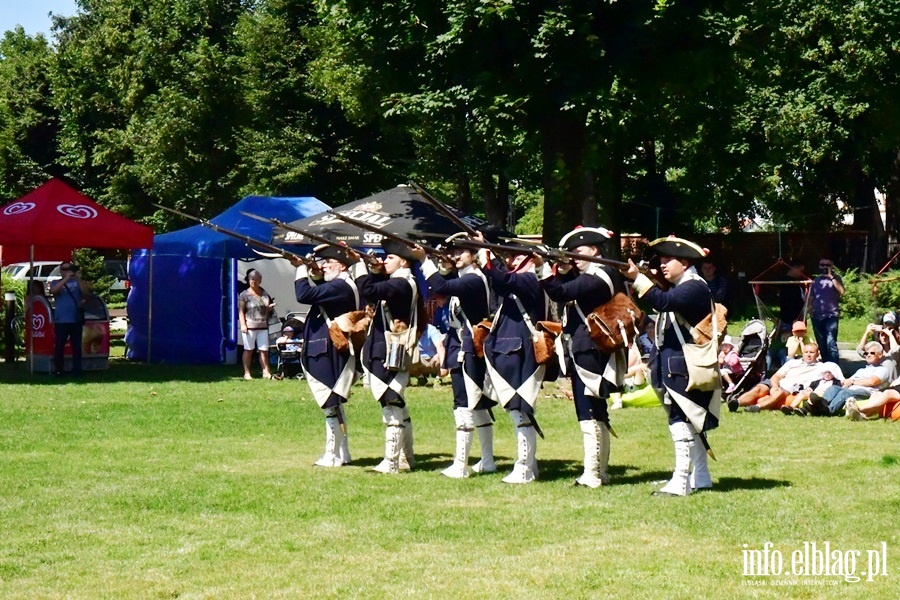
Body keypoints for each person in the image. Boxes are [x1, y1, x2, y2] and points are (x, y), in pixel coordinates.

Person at [622, 236, 719, 497]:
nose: (662, 265)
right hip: (676, 363)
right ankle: (701, 475)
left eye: (668, 260)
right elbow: (656, 301)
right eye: (661, 261)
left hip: (684, 365)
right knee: (690, 420)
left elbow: (664, 302)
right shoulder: (681, 285)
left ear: (685, 262)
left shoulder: (694, 287)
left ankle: (680, 480)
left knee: (682, 420)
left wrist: (638, 277)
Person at [538, 226, 625, 488]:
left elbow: (561, 293)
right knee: (595, 411)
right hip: (587, 347)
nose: (574, 257)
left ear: (594, 250)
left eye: (578, 252)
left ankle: (593, 473)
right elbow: (570, 289)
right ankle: (600, 470)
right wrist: (563, 271)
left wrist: (543, 266)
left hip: (590, 349)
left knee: (589, 411)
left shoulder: (598, 275)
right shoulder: (591, 273)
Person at [415, 235, 495, 478]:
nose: (456, 255)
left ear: (474, 255)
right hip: (463, 347)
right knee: (477, 406)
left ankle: (461, 465)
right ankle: (488, 460)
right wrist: (441, 261)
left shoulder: (473, 279)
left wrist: (423, 259)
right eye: (454, 251)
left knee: (463, 404)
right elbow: (444, 282)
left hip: (471, 348)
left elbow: (441, 287)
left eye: (462, 251)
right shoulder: (462, 277)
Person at [477, 236, 548, 484]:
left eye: (517, 257)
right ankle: (531, 465)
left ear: (531, 260)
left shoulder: (530, 279)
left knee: (521, 410)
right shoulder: (520, 280)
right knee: (516, 409)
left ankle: (524, 467)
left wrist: (485, 251)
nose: (510, 261)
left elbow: (502, 279)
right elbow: (499, 283)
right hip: (510, 350)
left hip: (521, 351)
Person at [351, 239, 422, 474]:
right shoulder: (398, 281)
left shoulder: (402, 283)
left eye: (390, 258)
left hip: (388, 349)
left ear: (402, 261)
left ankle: (391, 461)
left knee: (391, 404)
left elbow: (369, 291)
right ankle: (406, 458)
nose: (385, 260)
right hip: (386, 348)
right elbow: (378, 288)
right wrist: (373, 268)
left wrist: (358, 265)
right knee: (396, 403)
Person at [293, 245, 362, 467]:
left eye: (327, 262)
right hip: (328, 347)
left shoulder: (342, 285)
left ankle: (332, 455)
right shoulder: (340, 285)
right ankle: (343, 452)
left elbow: (303, 295)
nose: (323, 265)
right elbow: (326, 296)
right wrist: (317, 276)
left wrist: (301, 269)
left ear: (341, 265)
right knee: (332, 404)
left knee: (329, 403)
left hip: (328, 349)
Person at [730, 343, 824, 412]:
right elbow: (777, 375)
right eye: (806, 352)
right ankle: (736, 403)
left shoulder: (821, 367)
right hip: (775, 383)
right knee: (759, 388)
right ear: (802, 353)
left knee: (778, 393)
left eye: (811, 352)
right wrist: (774, 386)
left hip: (789, 388)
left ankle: (757, 407)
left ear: (817, 353)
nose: (808, 354)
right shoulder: (792, 362)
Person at [806, 341, 892, 416]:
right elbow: (847, 381)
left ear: (880, 355)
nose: (868, 355)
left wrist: (853, 382)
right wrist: (845, 383)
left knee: (844, 392)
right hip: (851, 389)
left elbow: (872, 381)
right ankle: (819, 406)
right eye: (866, 353)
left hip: (866, 392)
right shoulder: (862, 370)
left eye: (872, 353)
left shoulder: (883, 369)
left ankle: (828, 410)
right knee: (833, 388)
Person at [49, 261, 92, 376]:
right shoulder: (56, 282)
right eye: (64, 269)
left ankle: (77, 369)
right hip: (61, 319)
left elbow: (86, 293)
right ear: (61, 271)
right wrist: (66, 279)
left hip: (75, 319)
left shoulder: (77, 282)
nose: (67, 271)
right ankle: (59, 369)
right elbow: (53, 291)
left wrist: (78, 279)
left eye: (70, 268)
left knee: (76, 346)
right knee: (59, 345)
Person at [238, 268, 275, 380]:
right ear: (248, 280)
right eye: (251, 279)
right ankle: (247, 372)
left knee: (264, 350)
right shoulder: (244, 294)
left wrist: (269, 309)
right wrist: (243, 325)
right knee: (249, 350)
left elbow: (266, 307)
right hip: (249, 326)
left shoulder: (264, 293)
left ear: (260, 280)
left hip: (263, 326)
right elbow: (241, 311)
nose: (254, 281)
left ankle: (266, 371)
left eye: (256, 279)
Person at [808, 258, 844, 365]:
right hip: (816, 315)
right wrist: (810, 311)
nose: (824, 267)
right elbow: (810, 297)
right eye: (822, 265)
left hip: (831, 315)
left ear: (831, 266)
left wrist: (831, 277)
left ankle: (835, 367)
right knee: (821, 343)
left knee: (831, 342)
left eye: (827, 265)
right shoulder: (815, 280)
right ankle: (825, 366)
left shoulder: (836, 278)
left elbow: (842, 291)